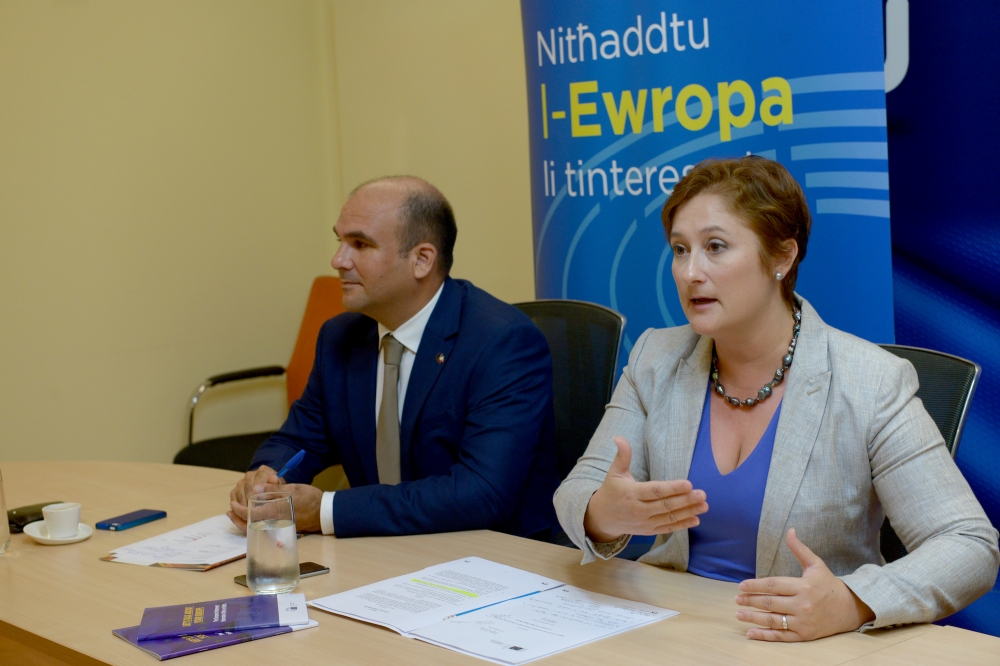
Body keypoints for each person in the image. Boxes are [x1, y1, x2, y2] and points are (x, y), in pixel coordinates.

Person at [553, 156, 999, 641]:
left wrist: (851, 602)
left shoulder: (871, 382)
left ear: (782, 258)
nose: (689, 272)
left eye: (715, 247)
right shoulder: (656, 358)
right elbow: (576, 492)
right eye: (680, 250)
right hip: (678, 633)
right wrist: (603, 513)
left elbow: (969, 544)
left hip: (805, 645)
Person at [229, 176, 559, 538]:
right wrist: (266, 480)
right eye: (340, 241)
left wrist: (325, 510)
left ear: (421, 260)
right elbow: (298, 440)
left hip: (494, 556)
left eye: (360, 244)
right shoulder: (340, 336)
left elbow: (481, 492)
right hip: (385, 552)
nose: (338, 260)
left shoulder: (501, 342)